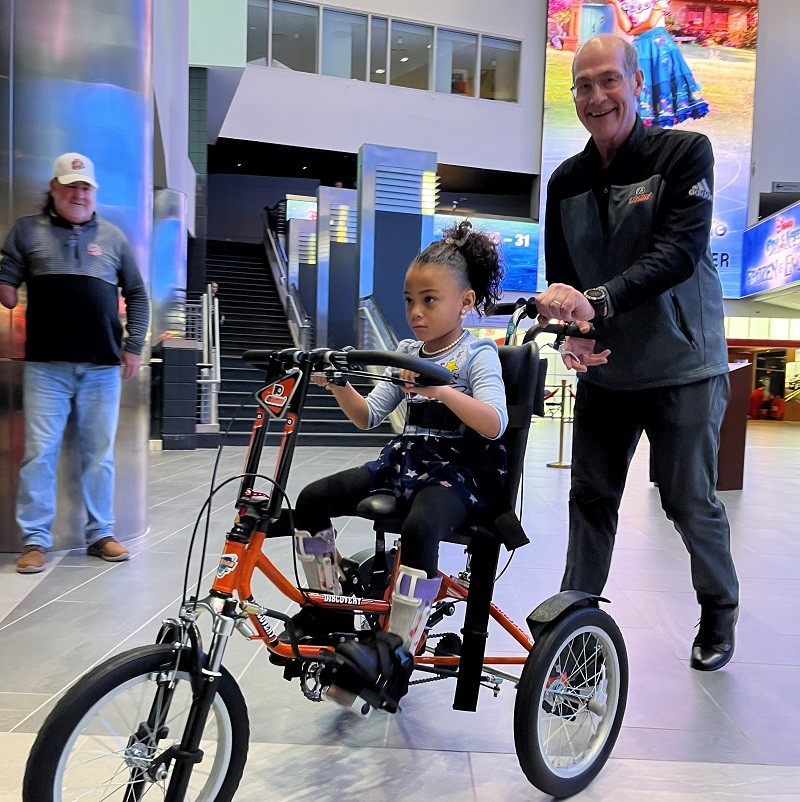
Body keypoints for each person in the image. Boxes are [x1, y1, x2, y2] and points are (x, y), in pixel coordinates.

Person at [536, 35, 738, 671]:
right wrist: (575, 331)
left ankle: (719, 608)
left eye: (609, 81)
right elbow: (564, 274)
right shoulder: (565, 180)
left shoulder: (685, 154)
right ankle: (576, 630)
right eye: (584, 86)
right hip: (610, 374)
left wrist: (598, 301)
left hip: (684, 368)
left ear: (637, 85)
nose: (597, 97)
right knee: (590, 499)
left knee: (686, 500)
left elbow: (677, 254)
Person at [293, 220, 508, 668]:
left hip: (453, 476)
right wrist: (339, 385)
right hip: (402, 466)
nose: (416, 311)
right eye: (411, 300)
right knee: (311, 500)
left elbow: (494, 423)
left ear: (464, 302)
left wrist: (441, 389)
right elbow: (367, 416)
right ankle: (328, 607)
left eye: (430, 300)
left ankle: (401, 642)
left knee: (419, 529)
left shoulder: (476, 354)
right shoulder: (407, 349)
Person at [0, 152, 149, 573]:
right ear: (54, 188)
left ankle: (101, 533)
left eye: (85, 187)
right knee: (38, 455)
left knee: (99, 454)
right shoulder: (27, 231)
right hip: (46, 367)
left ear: (93, 192)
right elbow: (7, 284)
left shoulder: (115, 238)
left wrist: (134, 345)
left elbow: (137, 294)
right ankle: (35, 541)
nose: (77, 194)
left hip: (103, 367)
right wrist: (7, 281)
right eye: (70, 186)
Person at [607, 0, 709, 127]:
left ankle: (658, 133)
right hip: (641, 48)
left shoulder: (659, 1)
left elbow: (651, 23)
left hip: (660, 47)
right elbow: (626, 27)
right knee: (641, 85)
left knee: (661, 84)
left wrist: (632, 32)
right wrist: (615, 3)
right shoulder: (626, 2)